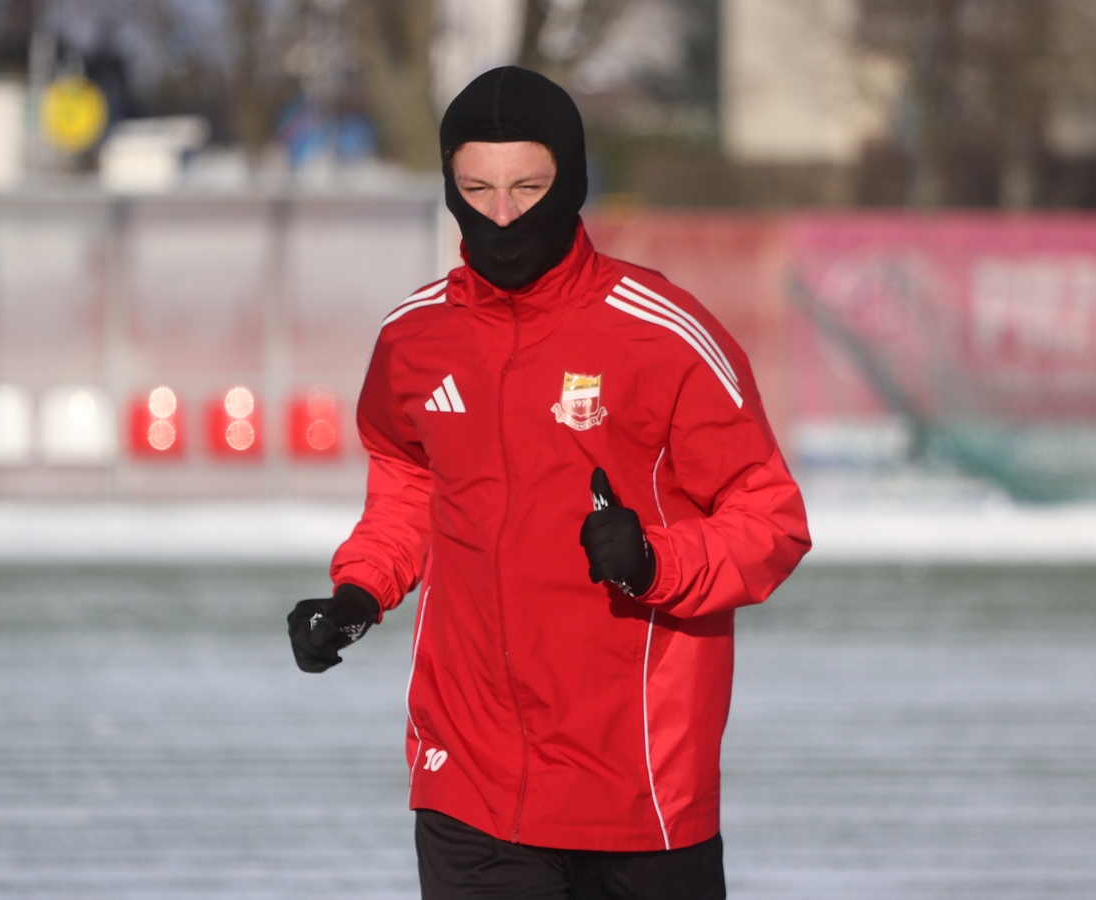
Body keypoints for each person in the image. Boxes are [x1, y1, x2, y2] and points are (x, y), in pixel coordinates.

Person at [288, 66, 810, 899]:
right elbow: (410, 480)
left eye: (528, 188)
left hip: (637, 793)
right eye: (476, 189)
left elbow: (771, 518)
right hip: (469, 784)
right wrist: (359, 592)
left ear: (571, 181)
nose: (502, 215)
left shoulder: (663, 335)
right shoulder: (414, 338)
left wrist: (656, 560)